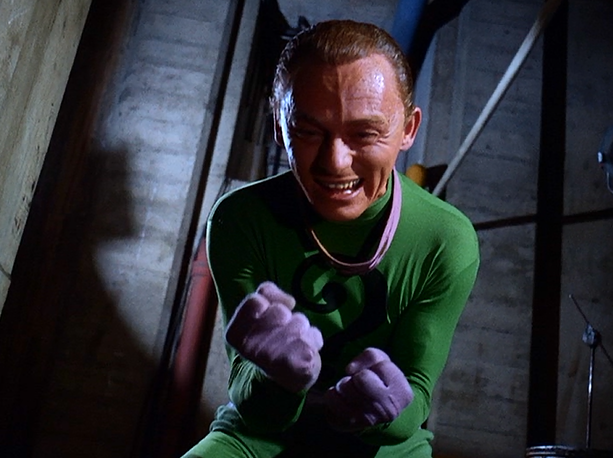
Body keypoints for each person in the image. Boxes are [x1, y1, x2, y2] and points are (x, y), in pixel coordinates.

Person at [182, 19, 479, 458]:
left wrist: (387, 411)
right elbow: (252, 403)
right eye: (307, 131)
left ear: (408, 130)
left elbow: (415, 399)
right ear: (280, 125)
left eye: (365, 134)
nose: (335, 162)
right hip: (257, 439)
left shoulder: (445, 240)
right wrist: (276, 378)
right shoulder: (239, 219)